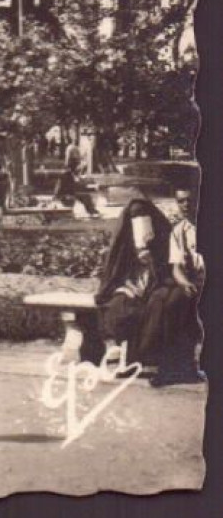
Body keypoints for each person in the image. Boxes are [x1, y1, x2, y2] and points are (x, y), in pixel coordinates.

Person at [95, 186, 173, 375]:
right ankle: (117, 350)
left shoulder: (163, 244)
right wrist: (127, 285)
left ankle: (141, 358)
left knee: (152, 305)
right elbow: (118, 274)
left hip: (158, 285)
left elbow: (164, 269)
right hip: (132, 285)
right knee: (119, 303)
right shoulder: (127, 251)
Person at [142, 188, 205, 386]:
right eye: (181, 202)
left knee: (180, 303)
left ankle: (184, 368)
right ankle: (171, 367)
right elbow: (176, 267)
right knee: (170, 304)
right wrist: (185, 283)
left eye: (189, 200)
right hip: (193, 280)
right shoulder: (179, 231)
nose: (186, 205)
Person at [53, 149, 101, 217]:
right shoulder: (67, 174)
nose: (79, 168)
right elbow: (66, 187)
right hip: (64, 196)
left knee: (85, 196)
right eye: (77, 165)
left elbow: (76, 186)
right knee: (85, 197)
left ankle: (92, 210)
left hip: (70, 193)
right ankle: (92, 211)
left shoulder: (72, 174)